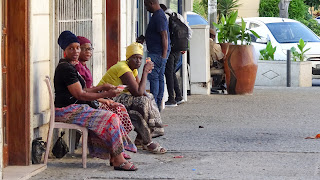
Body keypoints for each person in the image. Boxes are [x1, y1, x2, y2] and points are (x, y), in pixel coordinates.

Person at [54, 30, 137, 171]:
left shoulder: (71, 67)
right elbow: (80, 95)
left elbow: (84, 90)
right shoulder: (65, 69)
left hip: (75, 108)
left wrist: (103, 88)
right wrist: (105, 94)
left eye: (77, 48)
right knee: (111, 118)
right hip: (65, 111)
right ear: (64, 50)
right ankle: (118, 159)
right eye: (71, 48)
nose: (75, 51)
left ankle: (114, 155)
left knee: (113, 115)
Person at [98, 42, 167, 154]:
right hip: (106, 99)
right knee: (140, 103)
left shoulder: (132, 69)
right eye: (135, 58)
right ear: (128, 58)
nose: (138, 61)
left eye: (140, 58)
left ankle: (143, 137)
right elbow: (138, 93)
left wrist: (147, 94)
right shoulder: (123, 68)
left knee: (149, 97)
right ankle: (147, 141)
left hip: (118, 97)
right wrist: (145, 72)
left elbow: (142, 90)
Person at [74, 36, 133, 159]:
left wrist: (105, 96)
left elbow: (89, 89)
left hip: (91, 99)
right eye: (85, 49)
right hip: (86, 102)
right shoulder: (77, 68)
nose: (88, 52)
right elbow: (83, 93)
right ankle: (113, 150)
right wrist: (105, 98)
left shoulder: (84, 67)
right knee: (113, 112)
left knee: (119, 107)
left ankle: (118, 147)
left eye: (90, 49)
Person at [160, 4, 191, 107]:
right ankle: (179, 96)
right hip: (178, 49)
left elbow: (164, 34)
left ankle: (171, 99)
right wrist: (183, 46)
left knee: (168, 73)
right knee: (172, 72)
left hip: (169, 48)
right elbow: (189, 31)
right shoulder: (177, 16)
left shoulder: (164, 17)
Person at [144, 0, 170, 110]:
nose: (146, 8)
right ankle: (157, 106)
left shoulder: (159, 16)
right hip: (158, 52)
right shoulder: (158, 15)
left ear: (151, 3)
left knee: (154, 77)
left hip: (157, 53)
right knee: (159, 77)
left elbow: (164, 36)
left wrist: (163, 55)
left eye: (146, 5)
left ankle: (154, 105)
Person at [209, 28, 225, 94]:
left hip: (200, 69)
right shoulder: (216, 46)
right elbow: (221, 58)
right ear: (214, 36)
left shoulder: (200, 44)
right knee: (225, 69)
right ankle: (219, 85)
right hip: (211, 68)